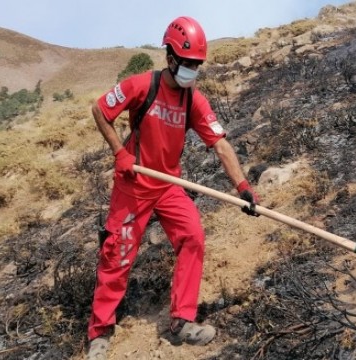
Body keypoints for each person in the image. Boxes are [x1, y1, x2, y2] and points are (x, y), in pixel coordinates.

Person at [86, 16, 260, 360]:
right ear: (170, 57)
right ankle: (100, 333)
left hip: (168, 185)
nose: (192, 70)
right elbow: (100, 109)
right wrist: (119, 153)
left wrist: (242, 187)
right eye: (188, 63)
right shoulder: (141, 85)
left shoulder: (193, 101)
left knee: (192, 235)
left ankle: (182, 322)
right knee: (117, 257)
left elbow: (221, 145)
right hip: (133, 185)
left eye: (197, 65)